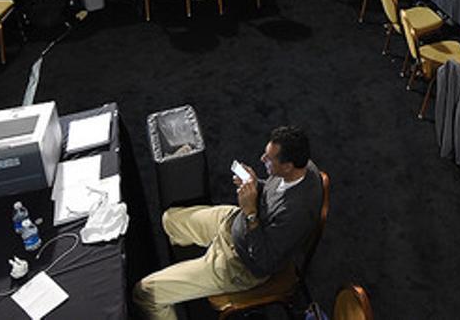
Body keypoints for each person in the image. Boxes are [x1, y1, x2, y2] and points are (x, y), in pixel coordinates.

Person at [133, 126, 322, 320]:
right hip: (234, 223)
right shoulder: (301, 167)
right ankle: (192, 282)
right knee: (171, 220)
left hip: (238, 264)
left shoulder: (297, 212)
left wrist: (250, 213)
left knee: (146, 293)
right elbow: (273, 195)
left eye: (268, 159)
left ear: (288, 166)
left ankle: (197, 279)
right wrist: (256, 184)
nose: (262, 159)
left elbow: (264, 262)